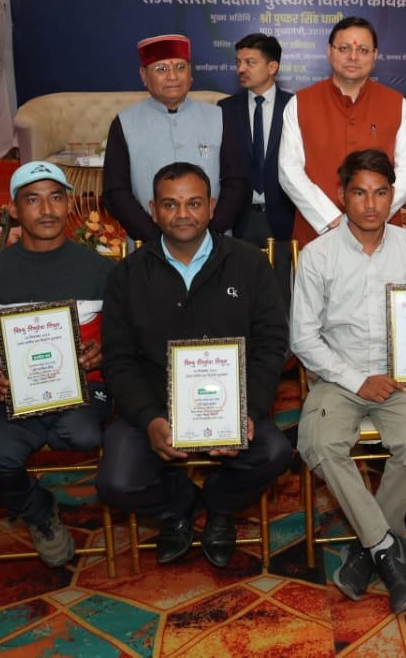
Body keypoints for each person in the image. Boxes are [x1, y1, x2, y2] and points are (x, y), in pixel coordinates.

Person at [97, 162, 292, 568]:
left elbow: (272, 345)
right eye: (170, 204)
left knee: (275, 452)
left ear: (212, 207)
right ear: (153, 209)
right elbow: (118, 358)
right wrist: (149, 418)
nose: (182, 214)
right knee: (116, 482)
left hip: (231, 408)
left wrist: (249, 414)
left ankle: (220, 506)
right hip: (154, 409)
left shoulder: (250, 264)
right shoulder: (127, 275)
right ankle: (179, 506)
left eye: (193, 203)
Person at [292, 149, 406, 614]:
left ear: (393, 197)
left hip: (401, 379)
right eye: (360, 192)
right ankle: (386, 548)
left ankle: (365, 547)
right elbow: (303, 337)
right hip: (340, 377)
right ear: (342, 196)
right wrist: (358, 380)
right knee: (318, 443)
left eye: (381, 193)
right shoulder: (317, 255)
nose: (371, 204)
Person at [0, 162, 114, 568]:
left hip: (86, 389)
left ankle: (53, 429)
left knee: (79, 433)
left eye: (56, 197)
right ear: (13, 211)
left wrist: (103, 350)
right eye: (33, 199)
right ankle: (38, 509)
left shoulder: (100, 268)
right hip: (16, 394)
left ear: (69, 205)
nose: (46, 209)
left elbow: (126, 331)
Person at [278, 17, 406, 246]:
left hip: (381, 235)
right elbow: (289, 170)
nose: (353, 57)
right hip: (318, 234)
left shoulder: (396, 104)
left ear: (375, 56)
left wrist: (374, 212)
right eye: (344, 48)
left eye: (363, 50)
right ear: (329, 52)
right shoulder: (300, 103)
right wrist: (331, 219)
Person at [103, 33, 249, 242]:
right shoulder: (124, 123)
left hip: (213, 243)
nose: (172, 77)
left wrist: (211, 232)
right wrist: (154, 238)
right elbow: (115, 191)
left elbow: (236, 181)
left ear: (190, 75)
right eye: (161, 69)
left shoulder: (219, 117)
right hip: (148, 245)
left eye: (180, 68)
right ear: (144, 75)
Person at [218, 33, 296, 306]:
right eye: (238, 62)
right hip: (240, 218)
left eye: (250, 62)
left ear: (272, 67)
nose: (241, 69)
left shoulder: (296, 106)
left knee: (282, 295)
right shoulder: (224, 109)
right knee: (240, 295)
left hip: (284, 215)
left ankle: (283, 348)